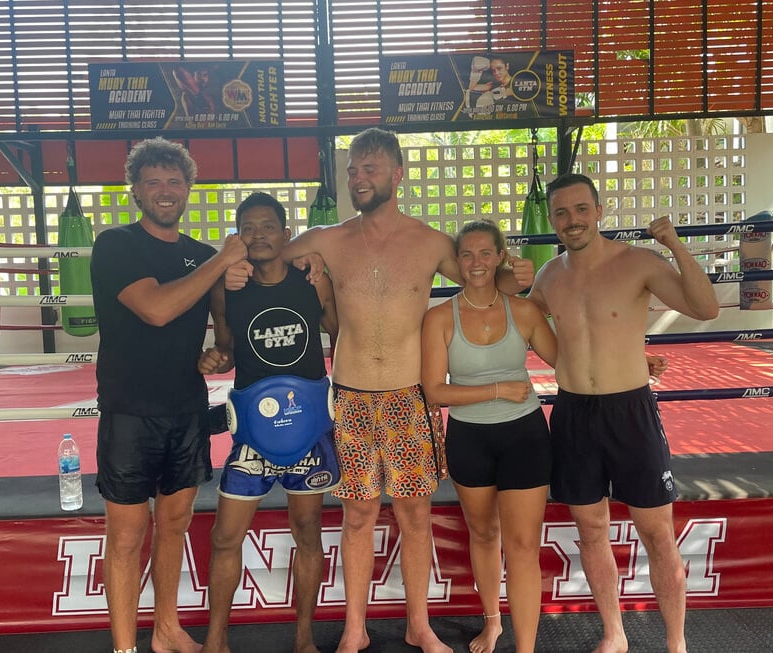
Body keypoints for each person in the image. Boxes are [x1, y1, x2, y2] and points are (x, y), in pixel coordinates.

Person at [228, 127, 533, 653]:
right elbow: (264, 253)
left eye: (369, 168)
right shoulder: (327, 238)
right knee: (358, 514)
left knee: (415, 513)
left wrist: (515, 277)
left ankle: (419, 625)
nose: (357, 178)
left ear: (398, 174)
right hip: (348, 397)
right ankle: (354, 628)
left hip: (407, 397)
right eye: (352, 169)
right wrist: (233, 270)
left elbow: (481, 279)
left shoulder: (432, 242)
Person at [527, 173, 719, 653]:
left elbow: (706, 307)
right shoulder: (550, 276)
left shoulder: (638, 263)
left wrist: (674, 243)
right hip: (572, 412)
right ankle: (615, 633)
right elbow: (526, 324)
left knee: (657, 533)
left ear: (598, 209)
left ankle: (676, 643)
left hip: (630, 410)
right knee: (591, 531)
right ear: (552, 220)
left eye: (581, 209)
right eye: (562, 213)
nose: (572, 220)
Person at [90, 137, 247, 653]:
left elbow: (224, 334)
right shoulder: (116, 245)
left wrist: (218, 356)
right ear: (135, 189)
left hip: (185, 408)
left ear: (188, 189)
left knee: (174, 526)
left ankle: (166, 630)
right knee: (127, 534)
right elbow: (156, 308)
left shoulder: (203, 257)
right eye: (153, 181)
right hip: (130, 410)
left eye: (174, 182)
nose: (164, 191)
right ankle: (124, 647)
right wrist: (222, 259)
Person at [196, 191, 340, 653]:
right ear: (238, 237)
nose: (259, 235)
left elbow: (340, 333)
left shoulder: (312, 279)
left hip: (309, 428)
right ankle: (216, 640)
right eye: (249, 228)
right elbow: (228, 346)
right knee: (224, 536)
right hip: (254, 436)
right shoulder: (227, 286)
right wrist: (215, 359)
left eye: (268, 226)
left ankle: (303, 639)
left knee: (308, 530)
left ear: (285, 233)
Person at [420, 219, 557, 653]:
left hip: (525, 436)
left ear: (500, 256)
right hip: (469, 438)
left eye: (484, 253)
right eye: (466, 254)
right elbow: (434, 391)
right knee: (482, 535)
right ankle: (493, 622)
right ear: (456, 262)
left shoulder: (526, 311)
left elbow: (569, 361)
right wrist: (497, 390)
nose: (476, 263)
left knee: (521, 546)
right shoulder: (439, 317)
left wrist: (632, 359)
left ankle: (526, 648)